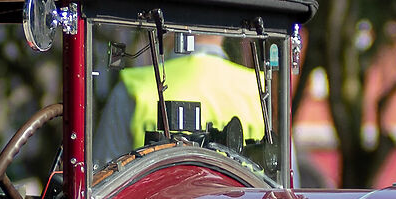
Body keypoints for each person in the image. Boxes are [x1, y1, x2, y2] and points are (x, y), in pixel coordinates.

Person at [93, 31, 267, 166]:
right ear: (224, 33)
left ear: (167, 31)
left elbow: (104, 172)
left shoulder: (135, 86)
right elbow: (283, 180)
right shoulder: (258, 88)